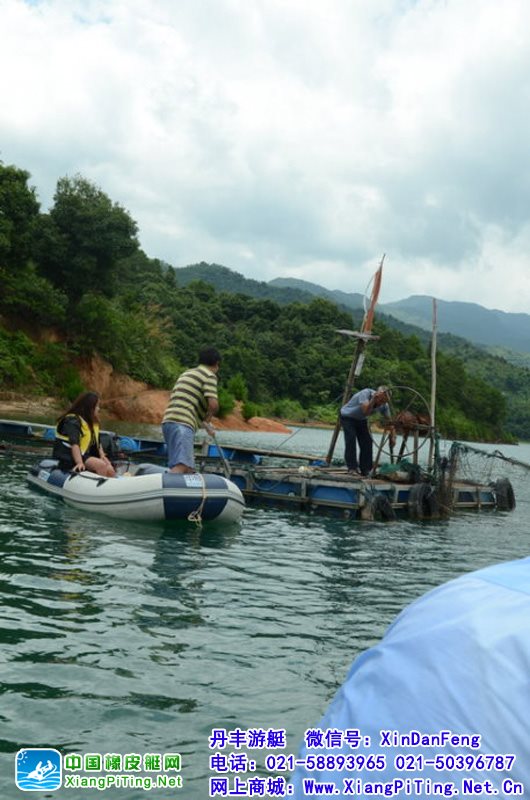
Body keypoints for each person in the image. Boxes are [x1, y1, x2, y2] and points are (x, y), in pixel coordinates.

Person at [162, 347, 221, 474]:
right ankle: (161, 490)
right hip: (182, 424)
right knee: (182, 466)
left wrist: (205, 424)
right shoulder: (209, 375)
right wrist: (208, 420)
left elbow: (185, 400)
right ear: (216, 363)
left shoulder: (187, 373)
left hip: (168, 422)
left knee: (188, 469)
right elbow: (213, 405)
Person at [53, 391, 116, 477]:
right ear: (89, 407)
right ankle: (99, 488)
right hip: (68, 456)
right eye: (97, 406)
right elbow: (74, 443)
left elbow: (97, 442)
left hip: (83, 455)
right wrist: (79, 462)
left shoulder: (91, 422)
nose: (98, 409)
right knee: (100, 465)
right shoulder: (72, 421)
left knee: (110, 469)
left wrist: (102, 456)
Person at [340, 385, 391, 476]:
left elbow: (390, 421)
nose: (382, 403)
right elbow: (366, 411)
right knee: (351, 440)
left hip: (361, 420)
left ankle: (366, 469)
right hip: (348, 417)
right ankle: (352, 468)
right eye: (381, 400)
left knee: (367, 442)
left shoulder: (384, 405)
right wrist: (373, 400)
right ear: (376, 395)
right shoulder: (365, 393)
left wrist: (393, 436)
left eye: (385, 401)